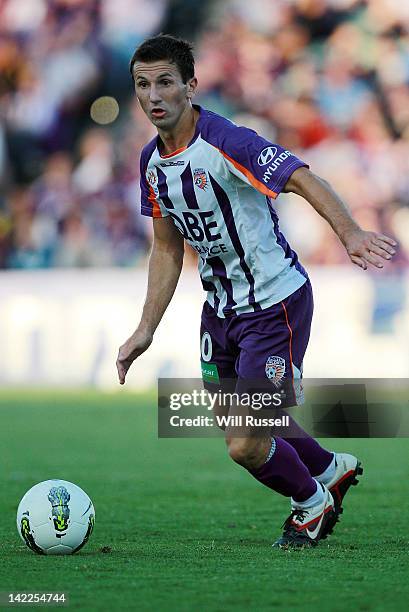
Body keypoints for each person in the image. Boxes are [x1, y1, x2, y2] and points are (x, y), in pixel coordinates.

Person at [117, 34, 396, 548]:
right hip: (219, 314)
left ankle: (312, 503)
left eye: (165, 83)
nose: (153, 96)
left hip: (274, 305)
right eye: (142, 85)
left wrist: (351, 233)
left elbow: (300, 177)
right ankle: (330, 468)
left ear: (190, 86)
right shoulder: (151, 163)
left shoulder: (228, 141)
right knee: (240, 426)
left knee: (246, 442)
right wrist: (145, 329)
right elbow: (166, 249)